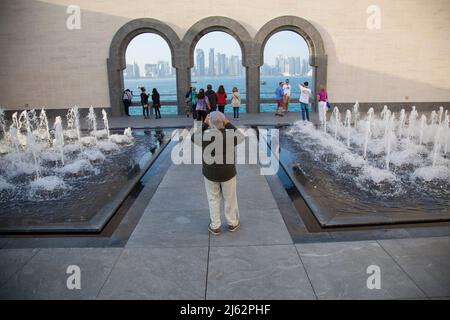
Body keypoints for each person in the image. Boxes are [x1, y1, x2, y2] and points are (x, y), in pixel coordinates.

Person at [191, 111, 245, 235]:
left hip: (210, 173)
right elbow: (241, 136)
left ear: (210, 123)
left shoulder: (206, 137)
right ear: (223, 122)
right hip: (228, 173)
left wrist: (204, 125)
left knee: (213, 198)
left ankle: (215, 226)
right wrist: (228, 124)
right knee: (230, 198)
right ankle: (232, 223)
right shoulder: (230, 136)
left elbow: (194, 137)